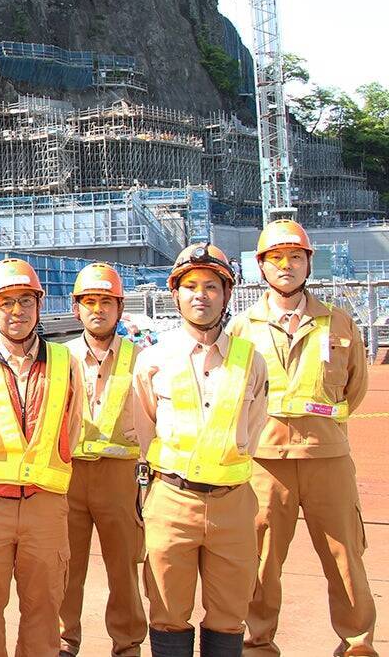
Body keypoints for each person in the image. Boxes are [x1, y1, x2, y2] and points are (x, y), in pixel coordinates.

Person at [227, 220, 376, 657]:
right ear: (261, 267)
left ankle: (357, 644)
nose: (286, 265)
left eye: (295, 257)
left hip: (327, 456)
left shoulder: (339, 322)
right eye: (276, 258)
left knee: (345, 555)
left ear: (309, 263)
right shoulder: (242, 328)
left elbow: (356, 387)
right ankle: (256, 643)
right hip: (264, 460)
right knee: (260, 560)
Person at [0, 257, 84, 656]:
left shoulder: (65, 365)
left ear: (39, 306)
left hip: (45, 507)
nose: (17, 311)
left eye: (25, 301)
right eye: (6, 303)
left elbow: (71, 428)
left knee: (44, 609)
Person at [134, 244, 268, 657]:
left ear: (227, 295)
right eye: (190, 285)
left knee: (230, 613)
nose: (201, 294)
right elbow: (145, 430)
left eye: (212, 286)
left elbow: (256, 424)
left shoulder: (251, 361)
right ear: (175, 294)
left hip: (232, 504)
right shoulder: (153, 359)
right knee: (168, 610)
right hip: (171, 500)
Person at [59, 263, 146, 657]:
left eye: (106, 302)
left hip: (121, 478)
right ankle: (64, 641)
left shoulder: (142, 359)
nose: (98, 309)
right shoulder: (60, 359)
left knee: (125, 568)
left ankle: (127, 645)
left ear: (119, 307)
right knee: (66, 568)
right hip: (70, 476)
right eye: (90, 302)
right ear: (77, 308)